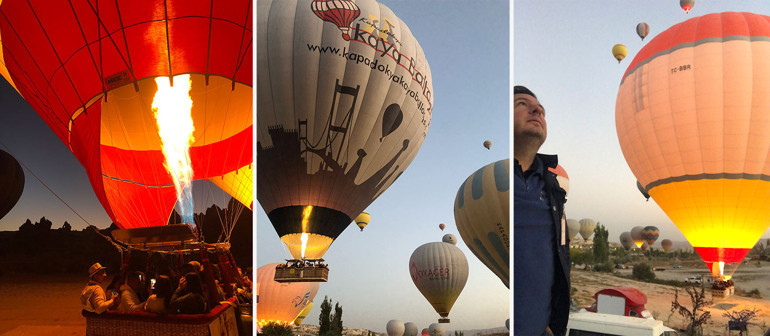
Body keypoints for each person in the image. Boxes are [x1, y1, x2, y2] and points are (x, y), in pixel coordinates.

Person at [514, 85, 570, 336]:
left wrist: (553, 325)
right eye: (521, 104)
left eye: (542, 110)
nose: (537, 110)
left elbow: (559, 259)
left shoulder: (554, 190)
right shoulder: (492, 182)